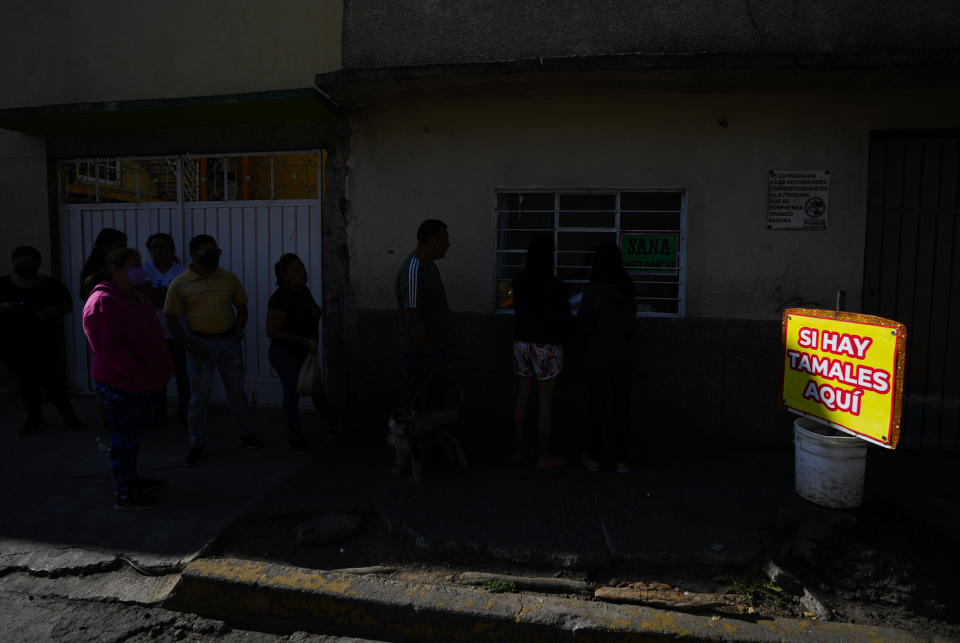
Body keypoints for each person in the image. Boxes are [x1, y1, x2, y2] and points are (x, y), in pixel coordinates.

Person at [82, 248, 172, 510]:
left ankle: (131, 478)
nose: (141, 269)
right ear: (116, 270)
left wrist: (158, 369)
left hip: (140, 381)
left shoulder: (137, 298)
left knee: (132, 437)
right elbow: (109, 349)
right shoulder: (102, 301)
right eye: (134, 265)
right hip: (120, 382)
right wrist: (139, 373)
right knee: (123, 439)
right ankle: (125, 493)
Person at [163, 234, 259, 467]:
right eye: (208, 251)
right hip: (200, 346)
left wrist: (237, 331)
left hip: (228, 344)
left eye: (217, 250)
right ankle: (197, 443)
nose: (214, 255)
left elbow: (242, 306)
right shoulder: (180, 283)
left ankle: (243, 433)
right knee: (199, 398)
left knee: (237, 392)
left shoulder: (229, 278)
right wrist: (188, 344)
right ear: (194, 255)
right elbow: (171, 317)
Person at [0, 246, 83, 435]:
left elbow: (67, 306)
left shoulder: (51, 285)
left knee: (53, 383)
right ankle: (34, 419)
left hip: (45, 344)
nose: (23, 267)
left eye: (28, 263)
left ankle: (68, 415)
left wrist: (52, 311)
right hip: (13, 345)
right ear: (13, 263)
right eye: (19, 263)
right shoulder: (3, 284)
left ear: (38, 264)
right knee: (25, 385)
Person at [266, 253, 342, 453]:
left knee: (316, 389)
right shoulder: (280, 297)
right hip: (285, 353)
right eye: (297, 269)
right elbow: (272, 331)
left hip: (304, 352)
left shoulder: (303, 291)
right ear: (285, 275)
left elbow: (313, 311)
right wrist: (303, 340)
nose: (303, 272)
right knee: (292, 393)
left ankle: (335, 427)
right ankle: (295, 436)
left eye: (302, 267)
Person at [512, 234, 572, 469]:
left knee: (522, 397)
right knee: (545, 402)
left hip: (521, 343)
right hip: (546, 345)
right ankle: (543, 456)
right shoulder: (555, 284)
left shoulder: (519, 280)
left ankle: (519, 451)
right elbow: (564, 317)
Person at [577, 242, 637, 473]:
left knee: (597, 407)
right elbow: (631, 323)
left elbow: (584, 325)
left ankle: (593, 457)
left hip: (598, 356)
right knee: (622, 407)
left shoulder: (593, 291)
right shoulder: (626, 288)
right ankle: (622, 459)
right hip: (623, 356)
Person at [395, 219, 452, 413]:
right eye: (445, 239)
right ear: (431, 240)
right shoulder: (413, 269)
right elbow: (413, 317)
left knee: (431, 407)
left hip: (431, 350)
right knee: (416, 408)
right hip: (419, 353)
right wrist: (429, 351)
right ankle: (409, 442)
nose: (448, 244)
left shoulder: (429, 266)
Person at [79, 227, 128, 451]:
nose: (124, 248)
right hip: (107, 338)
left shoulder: (123, 270)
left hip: (123, 335)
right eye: (121, 243)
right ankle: (106, 433)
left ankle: (119, 428)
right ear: (107, 247)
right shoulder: (97, 277)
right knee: (106, 386)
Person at [141, 233, 189, 429]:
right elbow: (140, 295)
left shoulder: (183, 271)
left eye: (162, 247)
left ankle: (185, 411)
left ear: (172, 249)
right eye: (153, 247)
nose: (157, 251)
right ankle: (158, 411)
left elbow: (184, 299)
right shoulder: (142, 270)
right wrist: (167, 299)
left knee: (183, 374)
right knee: (156, 375)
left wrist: (157, 297)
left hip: (178, 332)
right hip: (152, 333)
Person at [80, 228, 128, 301]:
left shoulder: (121, 266)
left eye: (125, 246)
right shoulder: (96, 272)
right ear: (106, 247)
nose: (125, 250)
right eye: (121, 247)